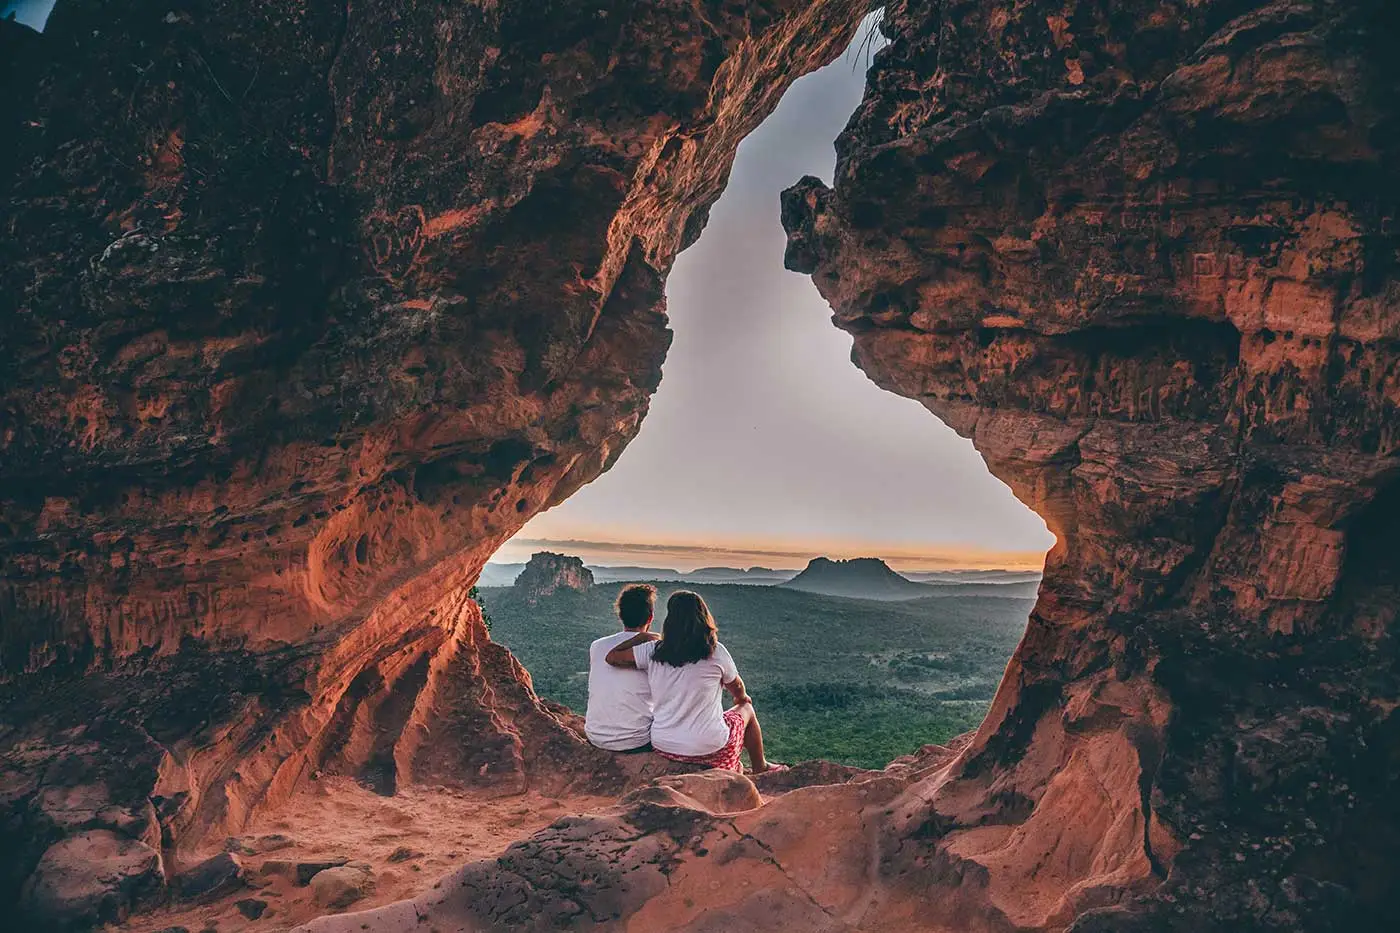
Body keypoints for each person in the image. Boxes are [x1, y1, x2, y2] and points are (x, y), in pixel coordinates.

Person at [606, 590, 784, 774]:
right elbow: (737, 686)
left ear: (669, 621)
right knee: (747, 709)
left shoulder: (652, 651)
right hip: (710, 746)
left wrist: (642, 637)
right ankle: (760, 766)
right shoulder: (715, 651)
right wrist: (741, 698)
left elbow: (612, 657)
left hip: (665, 746)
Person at [584, 584, 659, 752]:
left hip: (595, 736)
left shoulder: (596, 646)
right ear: (650, 617)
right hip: (636, 742)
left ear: (620, 616)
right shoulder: (654, 649)